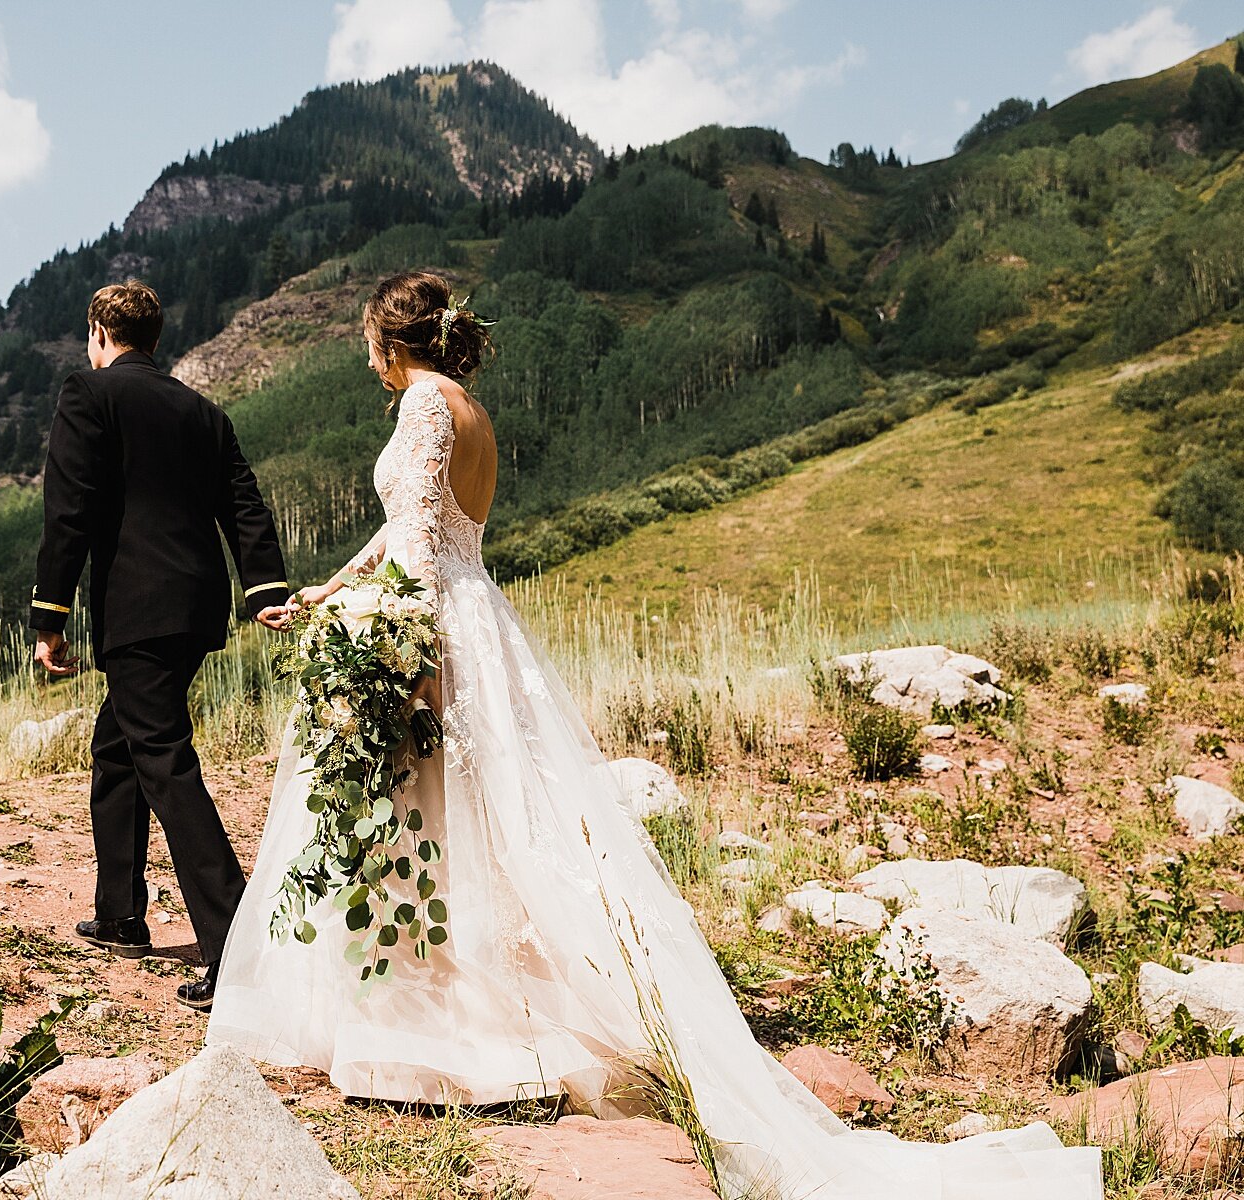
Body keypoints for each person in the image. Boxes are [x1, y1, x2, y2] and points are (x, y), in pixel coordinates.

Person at [208, 271, 1100, 1198]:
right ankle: (462, 1006)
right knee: (482, 828)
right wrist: (328, 589)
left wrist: (405, 662)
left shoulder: (423, 408)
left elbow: (421, 555)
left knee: (422, 826)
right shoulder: (469, 411)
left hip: (435, 633)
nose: (366, 357)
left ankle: (431, 1029)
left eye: (367, 340)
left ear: (391, 343)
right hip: (472, 620)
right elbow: (413, 529)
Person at [30, 280, 292, 1012]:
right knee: (120, 746)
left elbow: (68, 509)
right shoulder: (202, 410)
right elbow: (243, 501)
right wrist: (264, 588)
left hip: (138, 608)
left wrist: (49, 614)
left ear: (99, 335)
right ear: (154, 337)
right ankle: (120, 914)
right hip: (196, 606)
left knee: (164, 763)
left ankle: (235, 947)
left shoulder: (90, 394)